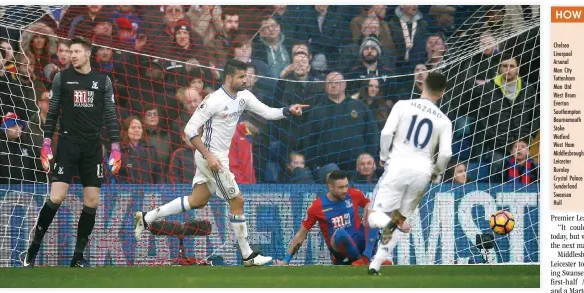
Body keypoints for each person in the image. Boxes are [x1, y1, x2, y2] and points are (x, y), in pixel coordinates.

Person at [132, 59, 308, 267]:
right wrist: (209, 156)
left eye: (247, 76)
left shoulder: (244, 96)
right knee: (238, 201)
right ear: (229, 77)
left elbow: (267, 112)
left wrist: (288, 109)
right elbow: (189, 130)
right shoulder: (214, 100)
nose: (246, 80)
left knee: (197, 200)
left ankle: (146, 217)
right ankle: (248, 256)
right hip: (211, 157)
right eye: (242, 77)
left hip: (217, 156)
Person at [21, 36, 120, 268]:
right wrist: (46, 142)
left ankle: (77, 257)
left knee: (92, 201)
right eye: (69, 52)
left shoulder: (103, 80)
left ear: (87, 54)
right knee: (56, 196)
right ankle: (31, 251)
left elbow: (111, 116)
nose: (72, 55)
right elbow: (53, 112)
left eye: (76, 51)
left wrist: (115, 147)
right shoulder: (61, 78)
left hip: (93, 148)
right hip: (67, 144)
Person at [366, 71, 453, 275]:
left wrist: (384, 155)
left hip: (398, 166)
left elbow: (386, 132)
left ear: (422, 85)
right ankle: (375, 264)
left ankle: (385, 233)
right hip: (422, 173)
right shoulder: (444, 120)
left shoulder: (402, 105)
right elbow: (446, 153)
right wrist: (437, 172)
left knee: (373, 218)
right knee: (397, 220)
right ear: (441, 93)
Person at [274, 170, 406, 266]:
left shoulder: (354, 194)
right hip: (340, 252)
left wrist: (368, 208)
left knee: (372, 213)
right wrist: (286, 260)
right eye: (341, 187)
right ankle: (365, 259)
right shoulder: (317, 206)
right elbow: (301, 234)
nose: (345, 190)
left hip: (360, 242)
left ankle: (367, 258)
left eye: (346, 186)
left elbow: (372, 205)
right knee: (340, 232)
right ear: (330, 187)